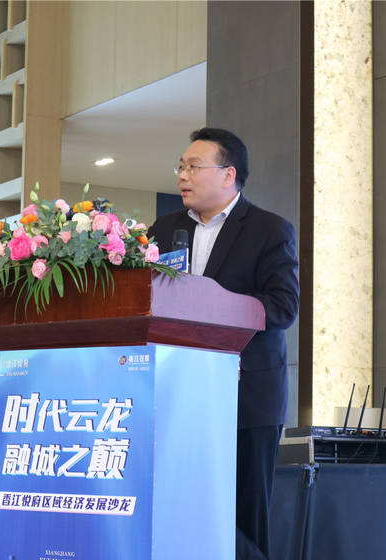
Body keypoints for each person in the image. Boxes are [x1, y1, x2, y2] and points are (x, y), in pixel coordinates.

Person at [148, 127, 299, 560]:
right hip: (177, 396)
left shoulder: (269, 230)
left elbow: (283, 308)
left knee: (242, 519)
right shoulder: (164, 229)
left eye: (194, 166)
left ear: (228, 174)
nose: (183, 175)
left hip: (245, 399)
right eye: (181, 167)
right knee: (181, 510)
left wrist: (210, 304)